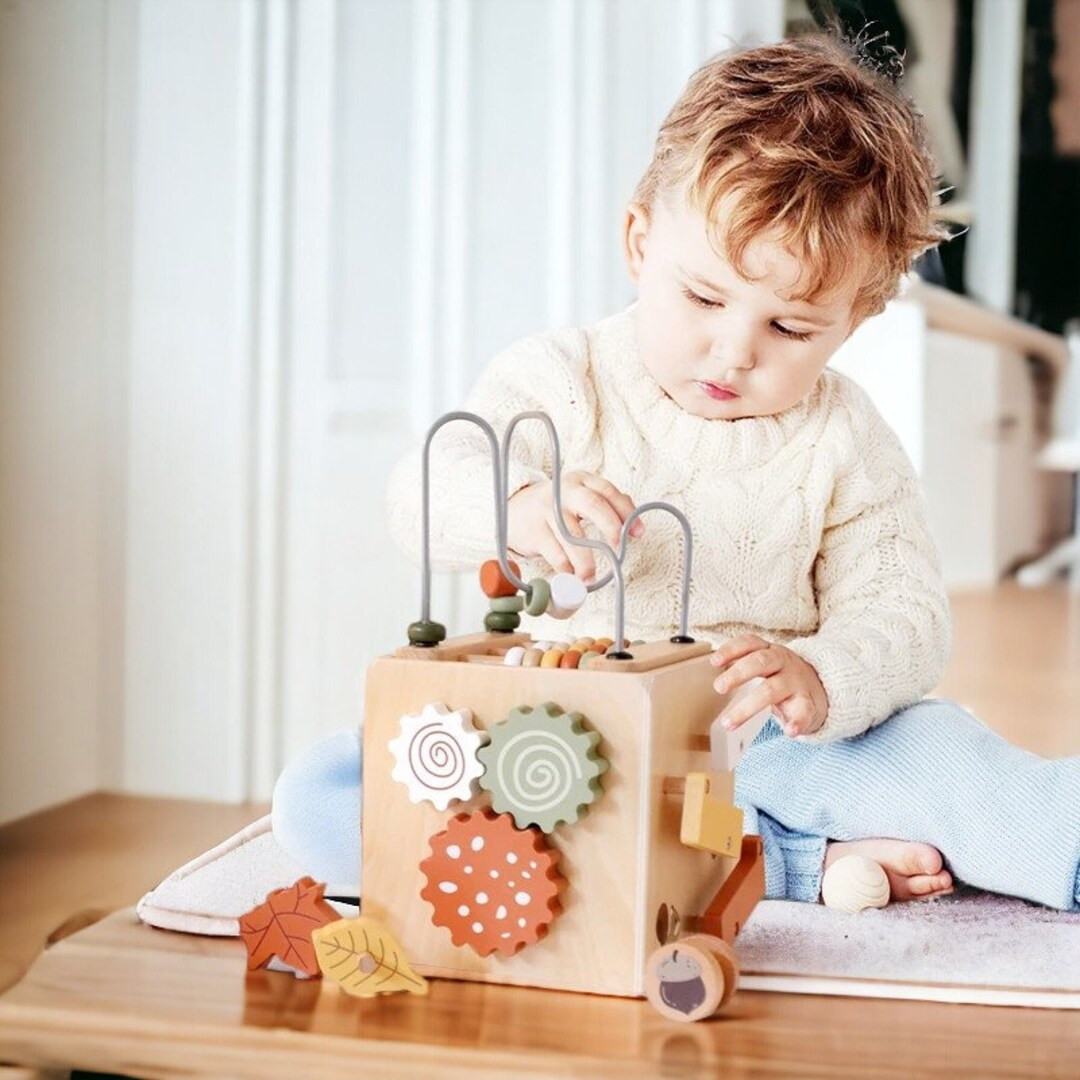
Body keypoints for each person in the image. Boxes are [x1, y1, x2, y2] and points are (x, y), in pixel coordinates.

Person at [280, 34, 1080, 913]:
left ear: (854, 320)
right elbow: (422, 491)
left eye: (790, 329)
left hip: (762, 745)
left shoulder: (847, 438)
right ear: (639, 242)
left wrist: (820, 678)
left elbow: (907, 614)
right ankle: (792, 867)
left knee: (949, 762)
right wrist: (519, 503)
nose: (734, 351)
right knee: (329, 793)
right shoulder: (565, 377)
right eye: (704, 297)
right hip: (564, 735)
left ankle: (777, 857)